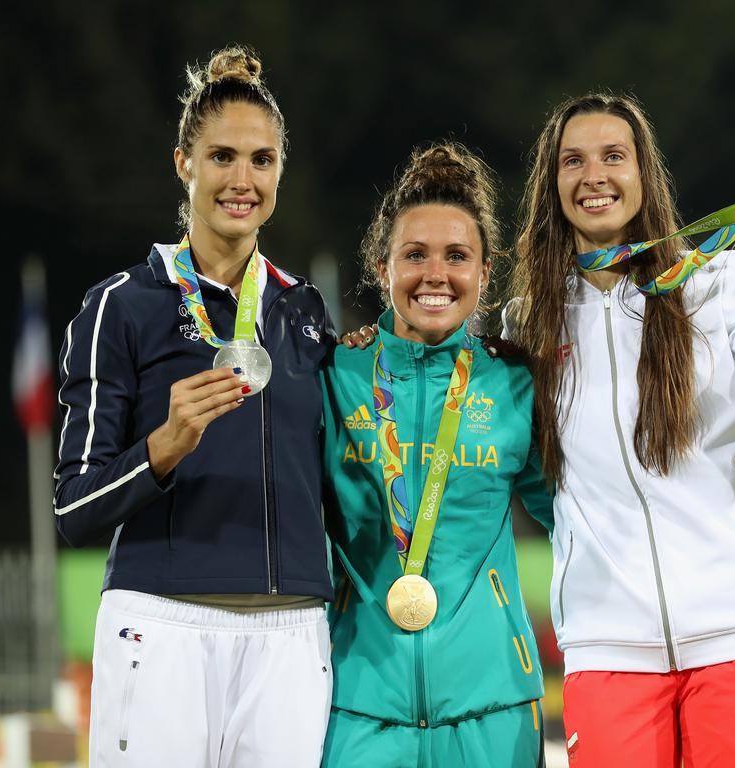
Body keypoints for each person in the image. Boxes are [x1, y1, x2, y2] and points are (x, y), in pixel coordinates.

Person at [506, 92, 735, 767]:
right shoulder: (528, 324)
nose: (594, 175)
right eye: (573, 161)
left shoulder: (719, 283)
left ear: (644, 173)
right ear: (552, 185)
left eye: (614, 156)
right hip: (607, 650)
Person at [53, 47, 334, 767]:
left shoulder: (304, 313)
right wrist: (162, 448)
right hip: (162, 624)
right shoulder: (121, 306)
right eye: (222, 157)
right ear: (184, 163)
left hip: (291, 632)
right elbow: (72, 509)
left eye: (262, 160)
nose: (243, 180)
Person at [320, 142, 554, 767]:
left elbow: (586, 511)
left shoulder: (516, 383)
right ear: (381, 266)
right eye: (414, 255)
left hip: (494, 703)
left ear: (484, 272)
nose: (435, 275)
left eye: (458, 256)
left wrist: (711, 484)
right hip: (357, 702)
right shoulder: (334, 374)